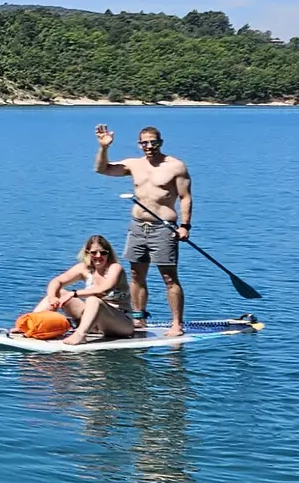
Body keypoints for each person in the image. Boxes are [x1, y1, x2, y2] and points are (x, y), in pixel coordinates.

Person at [95, 124, 192, 336]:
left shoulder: (176, 166)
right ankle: (139, 319)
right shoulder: (133, 165)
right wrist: (104, 147)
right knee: (136, 274)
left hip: (163, 228)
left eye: (153, 142)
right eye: (145, 143)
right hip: (138, 227)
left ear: (161, 143)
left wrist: (185, 226)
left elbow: (185, 197)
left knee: (169, 277)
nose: (149, 146)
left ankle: (177, 323)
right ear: (140, 145)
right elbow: (102, 169)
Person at [37, 234, 135, 345]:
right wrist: (52, 297)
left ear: (108, 254)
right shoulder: (84, 268)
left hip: (120, 324)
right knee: (60, 292)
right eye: (94, 253)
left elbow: (103, 290)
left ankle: (80, 335)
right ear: (88, 253)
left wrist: (74, 294)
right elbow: (57, 281)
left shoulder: (115, 268)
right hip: (93, 322)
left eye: (103, 253)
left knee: (93, 300)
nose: (98, 256)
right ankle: (31, 323)